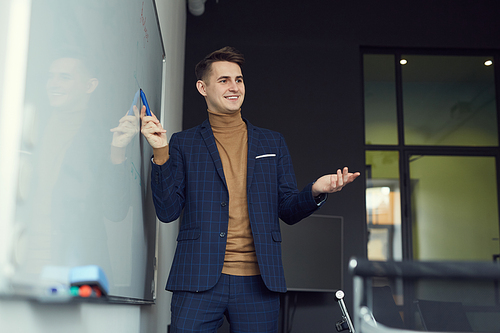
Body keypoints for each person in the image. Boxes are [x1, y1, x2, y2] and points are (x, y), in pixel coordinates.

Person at [140, 46, 360, 333]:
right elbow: (167, 211)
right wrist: (160, 153)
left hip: (258, 283)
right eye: (224, 80)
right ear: (202, 87)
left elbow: (288, 209)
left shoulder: (272, 143)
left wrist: (316, 190)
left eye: (239, 79)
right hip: (197, 279)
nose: (234, 87)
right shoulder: (183, 144)